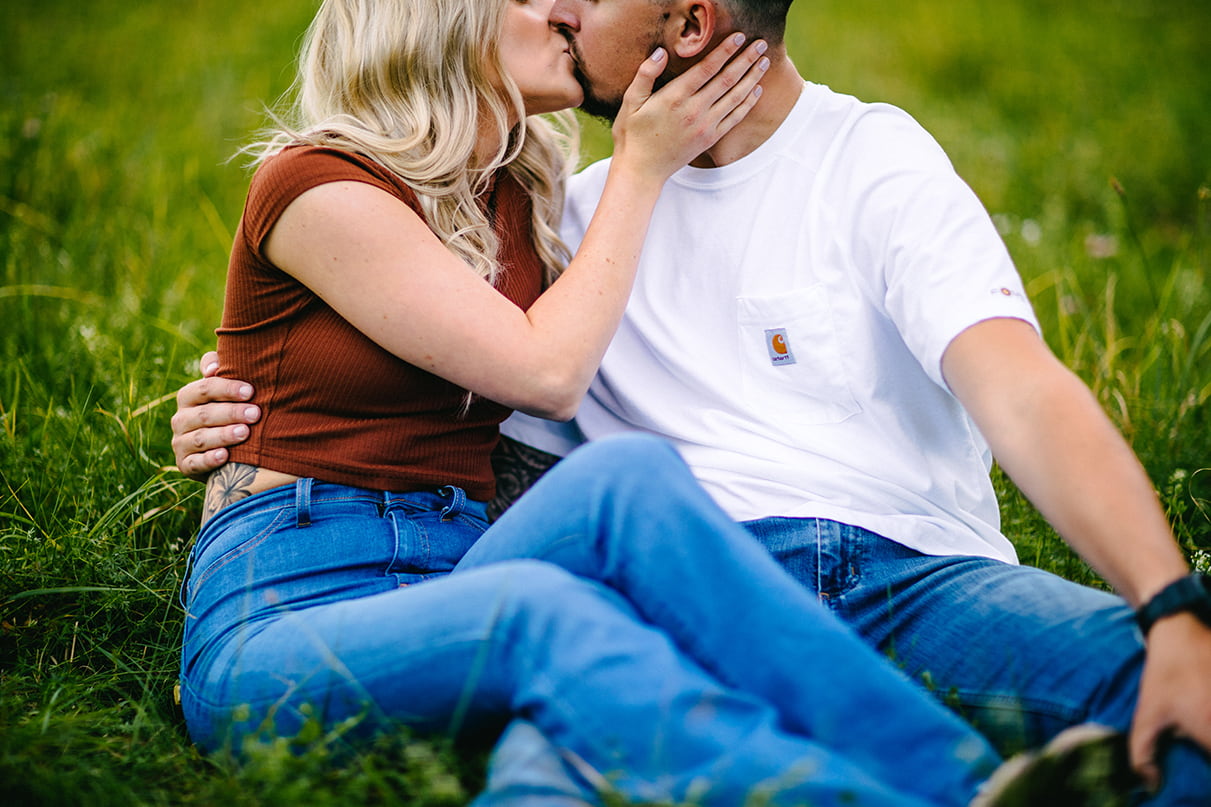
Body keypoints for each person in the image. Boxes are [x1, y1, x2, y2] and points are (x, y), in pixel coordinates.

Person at [173, 0, 1211, 803]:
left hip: (880, 579)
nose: (564, 10)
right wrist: (231, 410)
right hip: (460, 597)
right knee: (549, 701)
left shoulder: (840, 168)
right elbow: (518, 372)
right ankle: (955, 793)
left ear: (690, 24)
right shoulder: (530, 223)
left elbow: (1021, 389)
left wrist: (1167, 603)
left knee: (1180, 694)